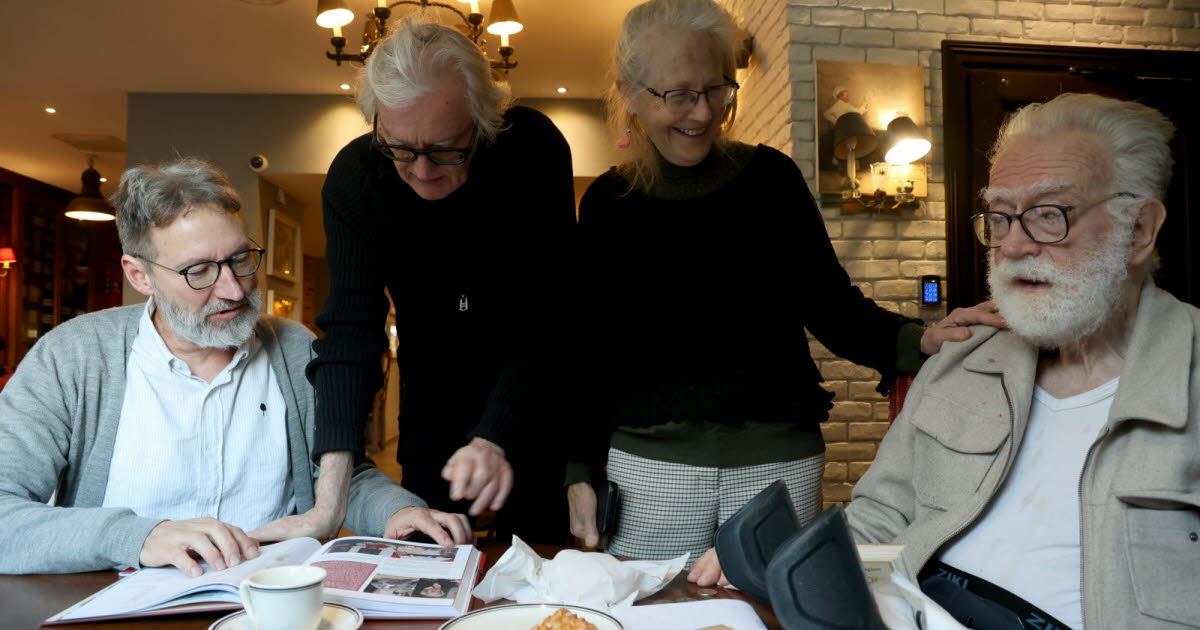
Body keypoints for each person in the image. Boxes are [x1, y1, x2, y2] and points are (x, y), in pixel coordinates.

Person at [695, 93, 1199, 628]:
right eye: (1001, 218)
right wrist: (792, 567)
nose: (1011, 246)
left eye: (1049, 215)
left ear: (1138, 230)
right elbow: (879, 519)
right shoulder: (965, 357)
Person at [568, 0, 1005, 567]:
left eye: (717, 88)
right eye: (679, 94)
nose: (703, 113)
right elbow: (586, 349)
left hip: (777, 466)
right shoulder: (608, 204)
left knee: (780, 612)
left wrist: (917, 338)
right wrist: (577, 468)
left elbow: (829, 304)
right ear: (630, 91)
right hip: (651, 473)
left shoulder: (770, 178)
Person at [0, 158, 471, 576]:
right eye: (199, 271)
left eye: (241, 259)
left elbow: (343, 471)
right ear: (138, 275)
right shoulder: (72, 356)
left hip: (272, 602)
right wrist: (139, 537)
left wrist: (396, 511)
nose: (232, 288)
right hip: (124, 606)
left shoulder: (292, 347)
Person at [307, 17, 577, 542]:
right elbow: (349, 332)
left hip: (536, 404)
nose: (423, 171)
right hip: (431, 411)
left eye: (447, 149)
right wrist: (329, 501)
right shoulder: (357, 176)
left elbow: (548, 313)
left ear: (483, 122)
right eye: (401, 149)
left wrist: (494, 438)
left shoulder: (532, 149)